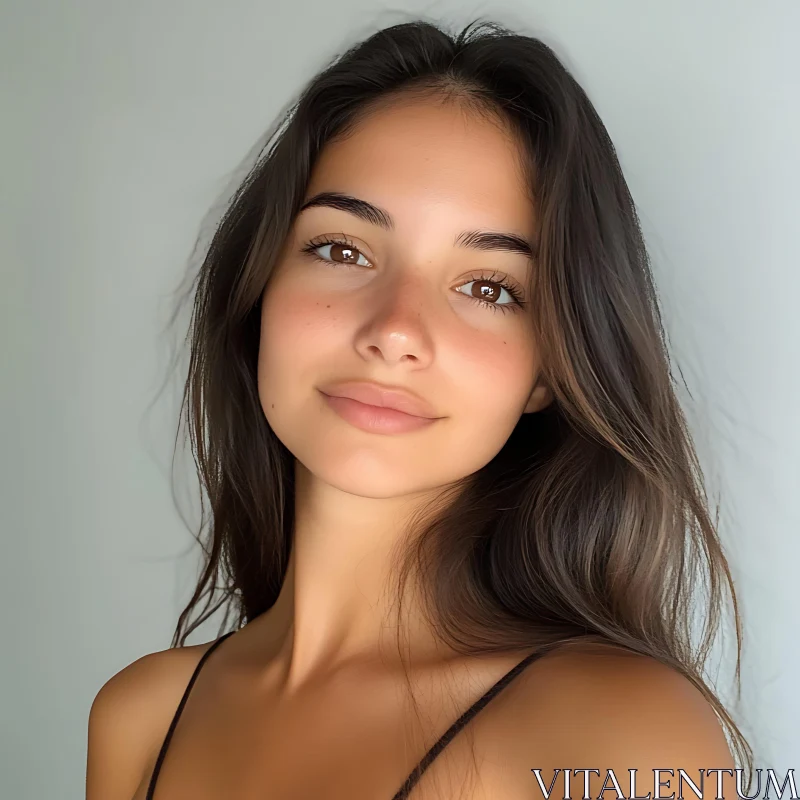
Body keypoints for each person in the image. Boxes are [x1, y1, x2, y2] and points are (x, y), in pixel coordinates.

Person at [85, 18, 753, 800]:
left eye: (489, 288)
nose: (396, 329)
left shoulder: (619, 735)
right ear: (260, 287)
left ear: (549, 370)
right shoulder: (141, 718)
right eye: (343, 250)